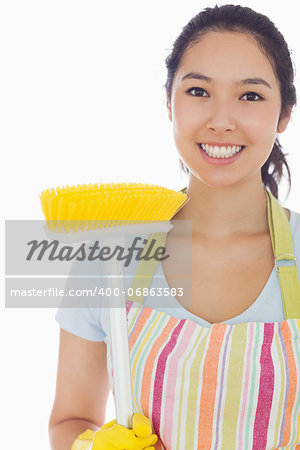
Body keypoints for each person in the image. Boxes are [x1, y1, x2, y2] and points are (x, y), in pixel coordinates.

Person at [48, 4, 300, 449]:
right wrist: (92, 446)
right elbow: (72, 418)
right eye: (199, 91)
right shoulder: (109, 253)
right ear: (169, 103)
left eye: (251, 96)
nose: (221, 121)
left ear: (284, 115)